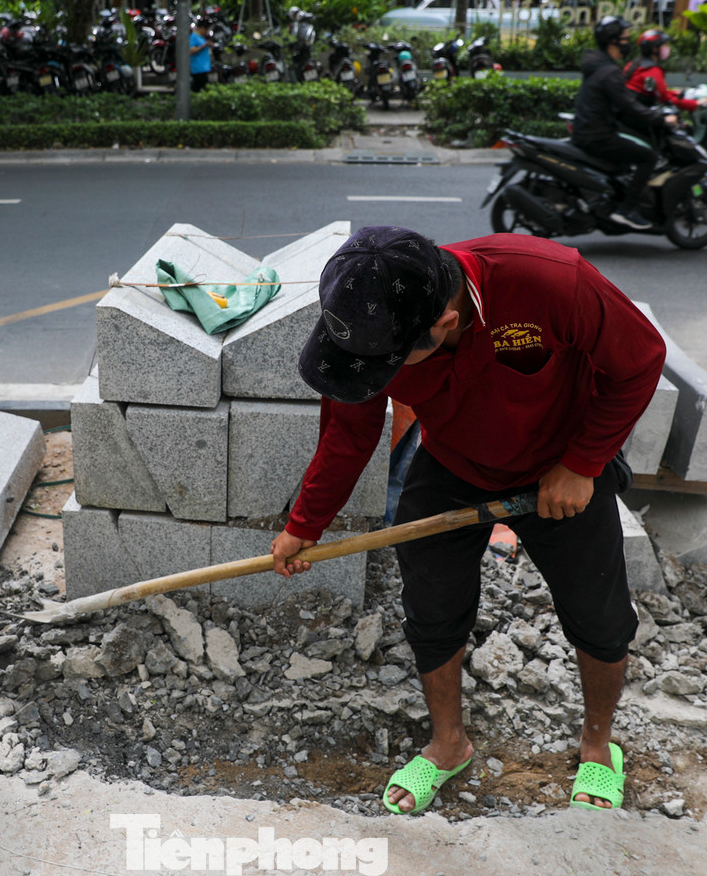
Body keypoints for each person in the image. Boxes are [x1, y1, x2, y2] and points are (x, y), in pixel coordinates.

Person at [270, 226, 666, 815]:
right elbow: (349, 434)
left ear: (444, 325)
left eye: (388, 367)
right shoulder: (368, 330)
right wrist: (306, 523)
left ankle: (597, 746)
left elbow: (640, 360)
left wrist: (583, 464)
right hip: (452, 463)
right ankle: (448, 743)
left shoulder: (549, 281)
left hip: (559, 469)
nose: (376, 376)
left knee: (601, 617)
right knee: (432, 610)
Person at [571, 16, 677, 231]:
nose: (628, 43)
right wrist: (660, 119)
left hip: (590, 130)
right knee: (648, 157)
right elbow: (628, 105)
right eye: (625, 38)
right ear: (613, 41)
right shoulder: (609, 72)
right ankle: (625, 210)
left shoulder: (601, 65)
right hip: (598, 135)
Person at [624, 29, 705, 113]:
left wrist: (675, 93)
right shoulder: (653, 70)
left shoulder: (632, 64)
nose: (667, 48)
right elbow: (666, 99)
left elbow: (659, 92)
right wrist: (696, 104)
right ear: (655, 49)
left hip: (630, 112)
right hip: (640, 115)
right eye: (664, 45)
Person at [188, 17, 213, 92]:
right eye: (206, 29)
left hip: (203, 67)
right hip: (197, 67)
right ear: (202, 28)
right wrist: (203, 46)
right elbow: (191, 50)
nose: (207, 31)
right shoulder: (193, 37)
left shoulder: (202, 37)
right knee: (199, 88)